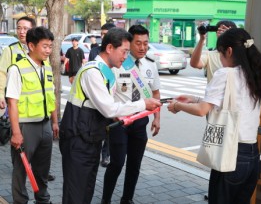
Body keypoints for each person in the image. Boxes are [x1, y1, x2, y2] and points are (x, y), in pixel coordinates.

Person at [167, 28, 261, 204]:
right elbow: (234, 103)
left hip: (230, 154)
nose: (220, 59)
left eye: (220, 54)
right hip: (252, 156)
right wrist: (195, 98)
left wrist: (177, 105)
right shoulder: (256, 74)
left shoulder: (226, 73)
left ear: (229, 51)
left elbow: (202, 110)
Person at [59, 27, 161, 204]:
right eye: (124, 52)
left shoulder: (104, 71)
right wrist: (143, 104)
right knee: (76, 191)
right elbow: (109, 109)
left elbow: (109, 110)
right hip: (78, 139)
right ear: (109, 49)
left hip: (89, 138)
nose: (125, 57)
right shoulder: (93, 72)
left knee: (86, 189)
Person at [101, 25, 161, 204]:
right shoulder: (117, 62)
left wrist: (157, 118)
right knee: (117, 164)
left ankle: (127, 199)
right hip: (120, 123)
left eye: (146, 43)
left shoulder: (151, 64)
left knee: (134, 166)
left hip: (140, 122)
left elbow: (155, 94)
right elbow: (108, 96)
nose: (142, 47)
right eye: (138, 43)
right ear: (129, 43)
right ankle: (105, 199)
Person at [6, 26, 59, 204]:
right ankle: (20, 202)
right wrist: (16, 132)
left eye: (50, 46)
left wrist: (54, 122)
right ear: (31, 45)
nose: (48, 50)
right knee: (21, 171)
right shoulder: (17, 69)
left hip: (45, 126)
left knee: (42, 170)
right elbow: (12, 102)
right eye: (44, 46)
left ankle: (43, 200)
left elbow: (50, 97)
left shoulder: (48, 68)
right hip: (25, 127)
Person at [89, 22, 116, 167]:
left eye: (105, 34)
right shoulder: (95, 50)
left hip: (111, 95)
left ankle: (105, 155)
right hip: (98, 95)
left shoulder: (116, 53)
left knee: (109, 130)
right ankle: (96, 153)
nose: (102, 36)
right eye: (101, 33)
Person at [0, 16, 36, 109]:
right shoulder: (9, 50)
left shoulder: (39, 50)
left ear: (33, 30)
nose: (21, 32)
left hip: (36, 103)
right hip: (17, 103)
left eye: (25, 28)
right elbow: (2, 74)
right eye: (19, 28)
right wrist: (0, 95)